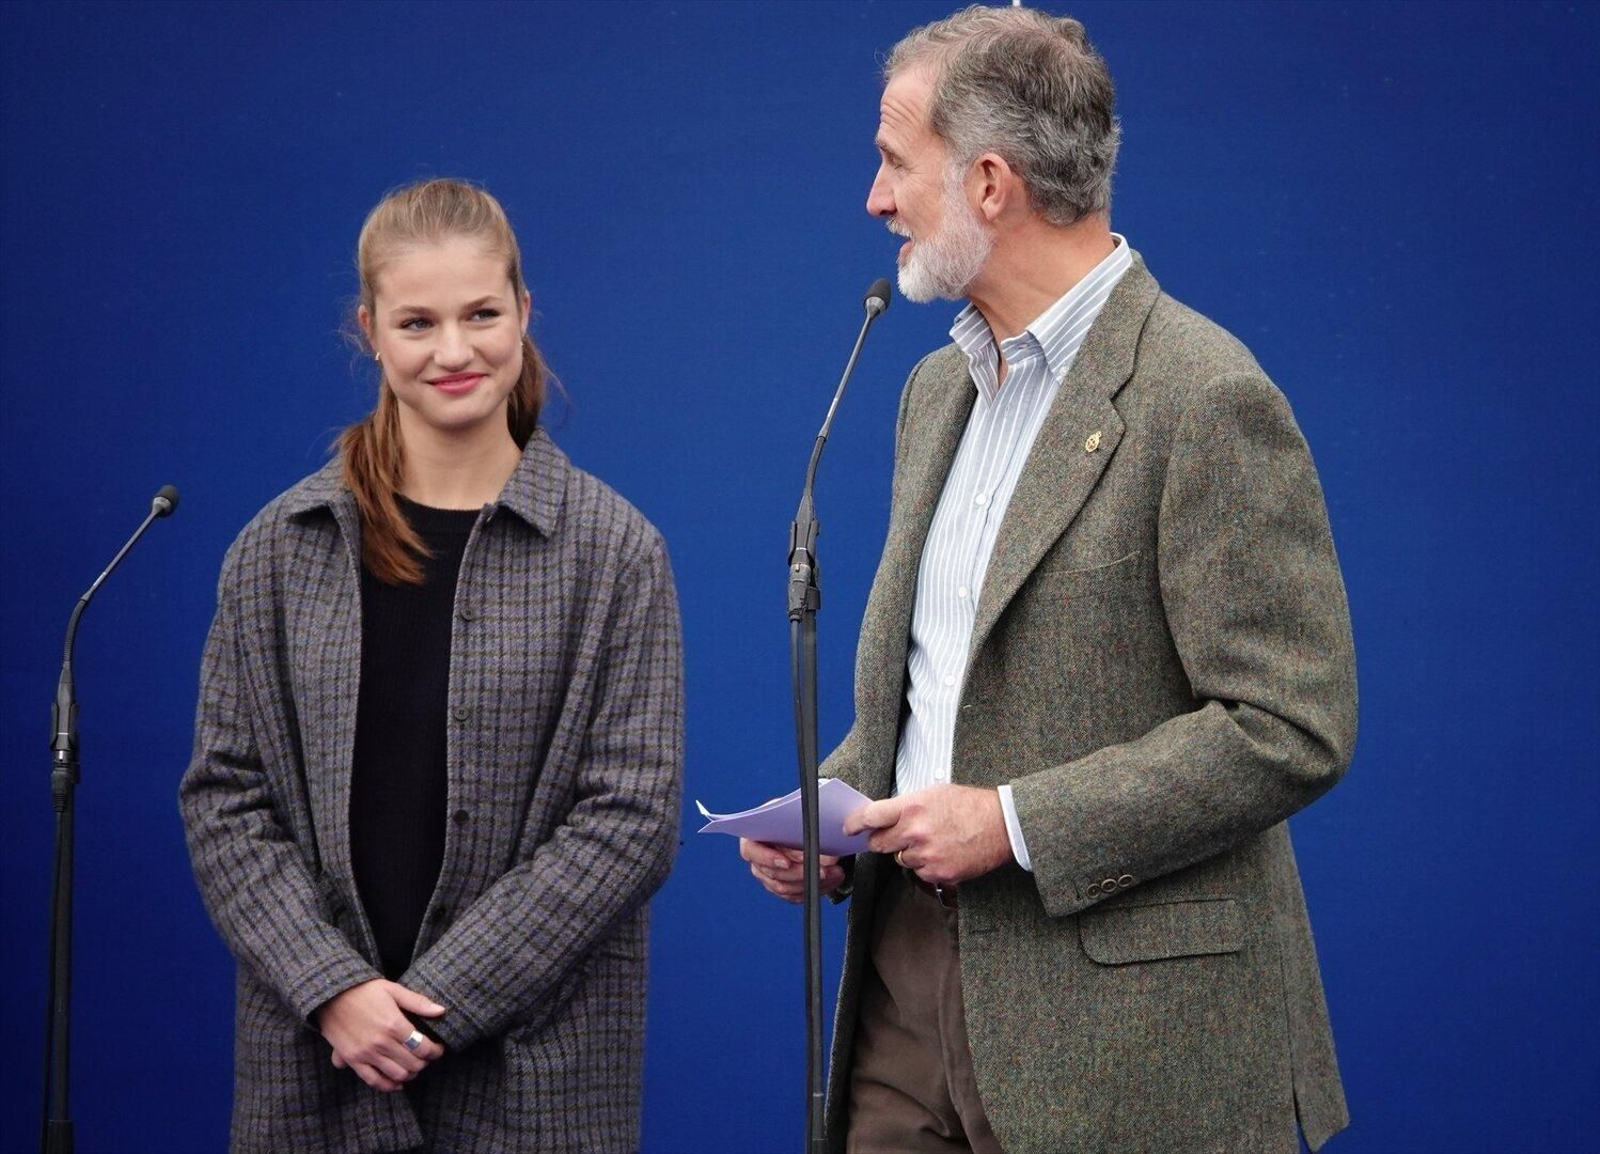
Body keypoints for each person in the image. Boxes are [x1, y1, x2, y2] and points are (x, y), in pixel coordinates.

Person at [740, 7, 1356, 1152]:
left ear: (986, 183)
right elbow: (936, 692)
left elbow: (1291, 723)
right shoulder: (934, 391)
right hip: (902, 983)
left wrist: (1017, 822)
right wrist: (836, 806)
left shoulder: (1202, 394)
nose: (874, 200)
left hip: (1128, 1032)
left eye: (891, 161)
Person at [180, 178, 682, 1152]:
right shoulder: (277, 548)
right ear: (369, 330)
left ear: (524, 314)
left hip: (536, 1086)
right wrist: (333, 989)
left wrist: (432, 1001)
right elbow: (224, 799)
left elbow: (630, 816)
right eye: (418, 321)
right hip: (316, 1071)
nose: (454, 350)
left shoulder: (616, 550)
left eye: (482, 314)